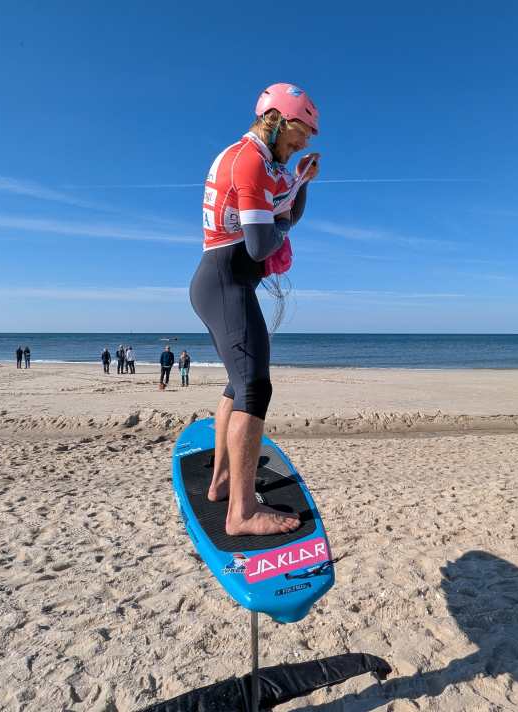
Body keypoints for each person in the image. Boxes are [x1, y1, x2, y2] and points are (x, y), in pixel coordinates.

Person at [190, 83, 320, 535]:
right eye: (301, 133)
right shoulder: (248, 161)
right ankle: (241, 514)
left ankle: (222, 481)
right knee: (254, 389)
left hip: (221, 283)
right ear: (279, 120)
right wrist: (282, 227)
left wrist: (300, 183)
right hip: (225, 282)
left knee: (237, 384)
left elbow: (286, 217)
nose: (304, 142)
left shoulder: (261, 161)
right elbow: (263, 242)